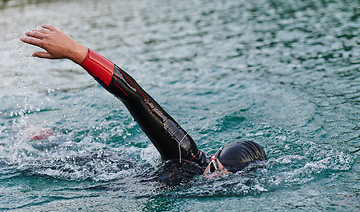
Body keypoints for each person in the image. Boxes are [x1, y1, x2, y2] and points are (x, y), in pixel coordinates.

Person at [20, 25, 266, 182]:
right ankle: (45, 138)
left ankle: (49, 138)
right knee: (29, 164)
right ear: (212, 160)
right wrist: (77, 52)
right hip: (99, 169)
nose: (215, 182)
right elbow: (136, 96)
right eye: (215, 172)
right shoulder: (184, 153)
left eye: (228, 181)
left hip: (127, 175)